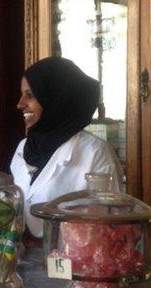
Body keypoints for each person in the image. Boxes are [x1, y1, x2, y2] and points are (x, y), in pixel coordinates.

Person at [10, 56, 124, 237]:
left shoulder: (94, 152)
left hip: (72, 259)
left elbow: (109, 227)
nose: (20, 104)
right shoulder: (24, 147)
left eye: (30, 95)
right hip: (21, 256)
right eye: (22, 94)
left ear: (56, 99)